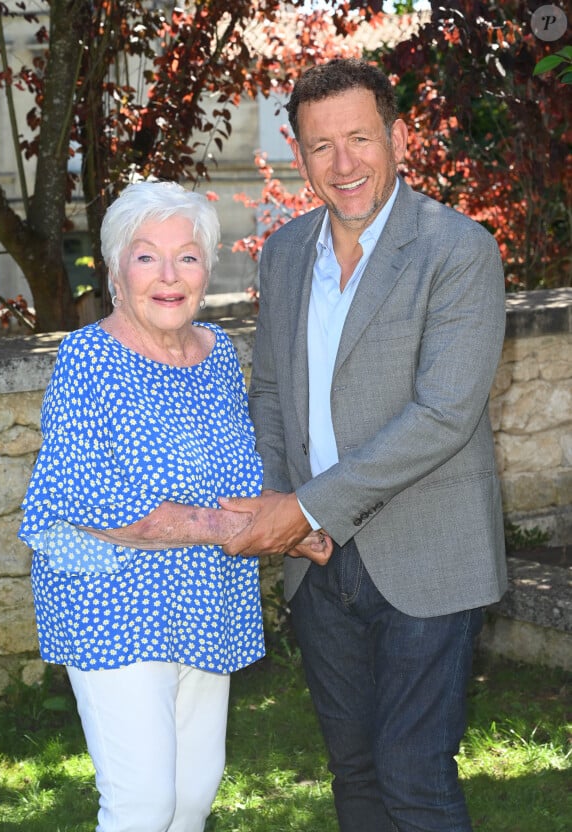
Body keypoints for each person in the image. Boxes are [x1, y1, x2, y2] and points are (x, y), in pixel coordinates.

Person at [219, 58, 508, 832]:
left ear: (399, 137)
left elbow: (443, 415)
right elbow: (273, 396)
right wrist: (290, 512)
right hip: (317, 565)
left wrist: (305, 508)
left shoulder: (459, 250)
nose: (343, 164)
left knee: (414, 777)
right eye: (321, 146)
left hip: (427, 555)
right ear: (299, 155)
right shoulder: (283, 256)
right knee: (353, 772)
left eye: (359, 138)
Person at [18, 180, 324, 832]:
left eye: (187, 256)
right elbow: (91, 500)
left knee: (192, 798)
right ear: (116, 272)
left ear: (206, 269)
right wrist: (222, 526)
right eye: (147, 255)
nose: (169, 274)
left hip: (203, 598)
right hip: (113, 603)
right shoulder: (87, 359)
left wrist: (293, 528)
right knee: (142, 802)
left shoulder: (217, 357)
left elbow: (237, 478)